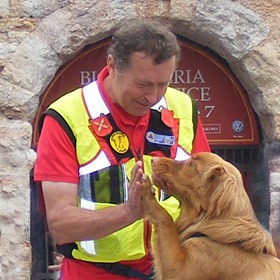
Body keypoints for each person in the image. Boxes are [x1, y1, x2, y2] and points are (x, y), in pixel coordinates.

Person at [34, 18, 210, 279]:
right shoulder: (66, 117)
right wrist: (129, 212)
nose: (153, 97)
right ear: (112, 66)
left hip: (175, 270)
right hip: (95, 273)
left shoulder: (182, 107)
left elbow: (208, 193)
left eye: (163, 84)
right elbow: (61, 226)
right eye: (143, 84)